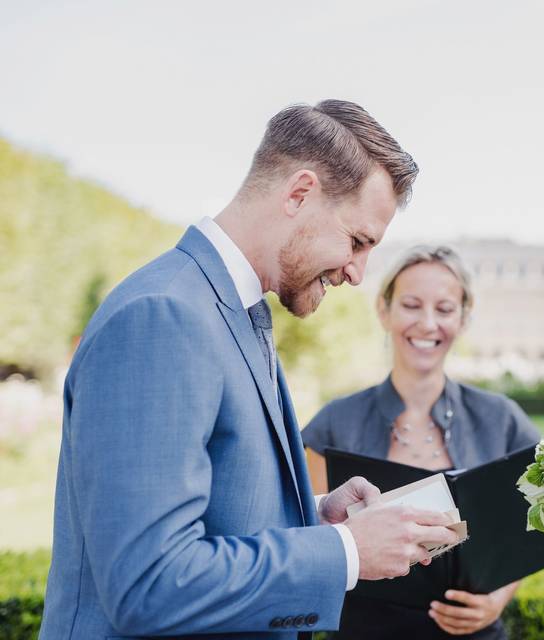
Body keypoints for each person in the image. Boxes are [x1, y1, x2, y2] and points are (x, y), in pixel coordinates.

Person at [39, 100, 461, 640]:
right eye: (357, 241)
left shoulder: (231, 311)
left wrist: (314, 514)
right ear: (299, 192)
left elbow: (209, 508)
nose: (358, 273)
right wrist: (347, 551)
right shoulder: (163, 316)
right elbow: (149, 584)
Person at [302, 245, 541, 639]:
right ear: (384, 311)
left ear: (463, 319)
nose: (428, 323)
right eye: (411, 305)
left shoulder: (502, 419)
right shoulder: (333, 423)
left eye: (445, 309)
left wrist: (497, 597)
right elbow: (304, 535)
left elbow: (537, 524)